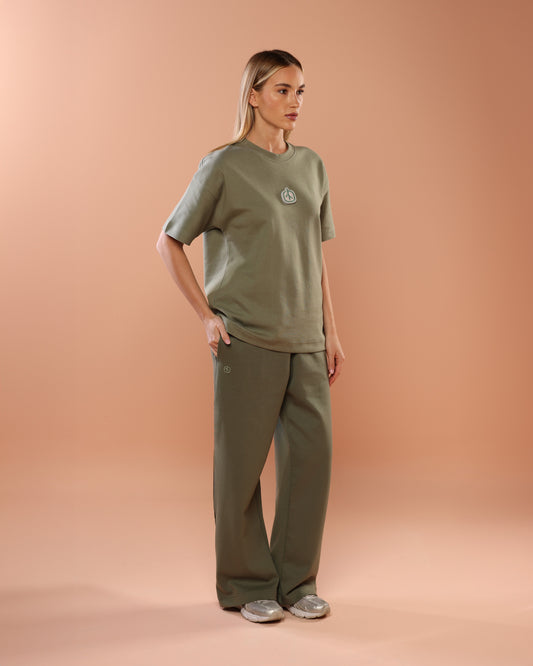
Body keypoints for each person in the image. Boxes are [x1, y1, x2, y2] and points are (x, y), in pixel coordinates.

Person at [156, 49, 345, 623]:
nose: (294, 102)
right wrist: (206, 317)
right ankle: (246, 584)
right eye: (283, 90)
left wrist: (331, 331)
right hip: (247, 339)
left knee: (311, 463)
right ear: (254, 95)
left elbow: (314, 256)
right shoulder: (223, 166)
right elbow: (169, 241)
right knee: (239, 469)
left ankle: (296, 582)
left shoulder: (311, 166)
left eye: (301, 91)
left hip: (305, 340)